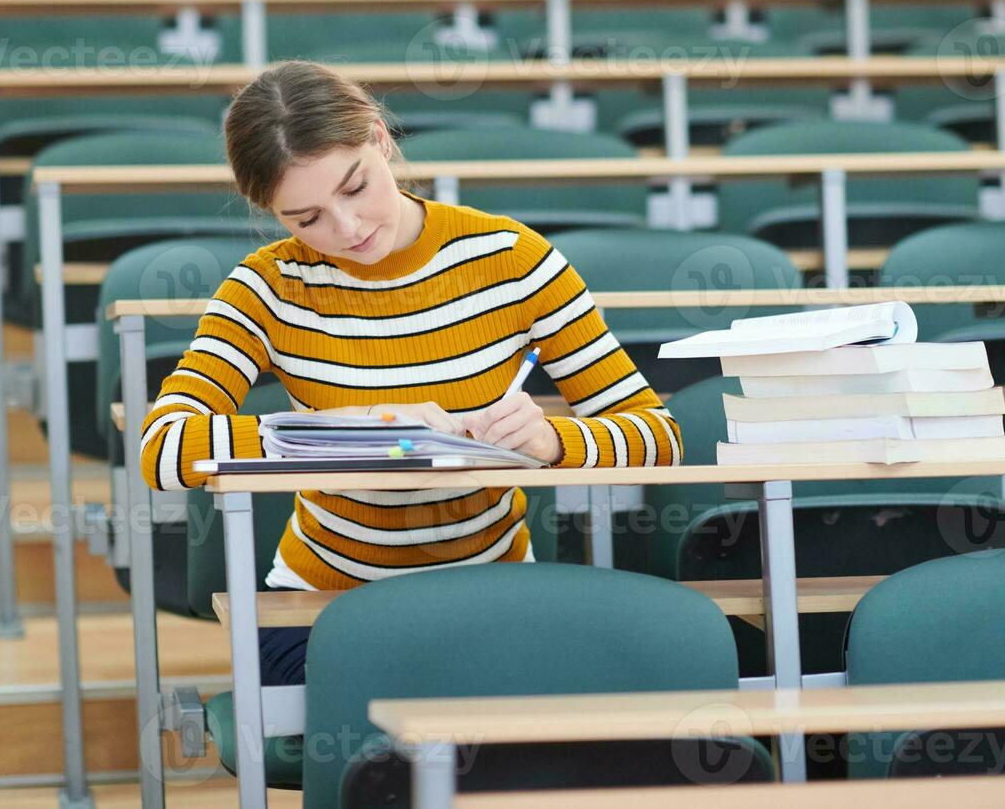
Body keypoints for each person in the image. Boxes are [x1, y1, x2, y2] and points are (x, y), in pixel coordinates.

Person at [140, 60, 682, 686]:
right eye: (306, 219)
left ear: (379, 138)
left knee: (503, 715)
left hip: (493, 594)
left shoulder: (510, 260)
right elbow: (162, 447)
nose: (348, 230)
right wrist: (323, 434)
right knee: (406, 704)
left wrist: (552, 440)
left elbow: (659, 438)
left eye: (355, 188)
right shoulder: (268, 287)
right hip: (323, 607)